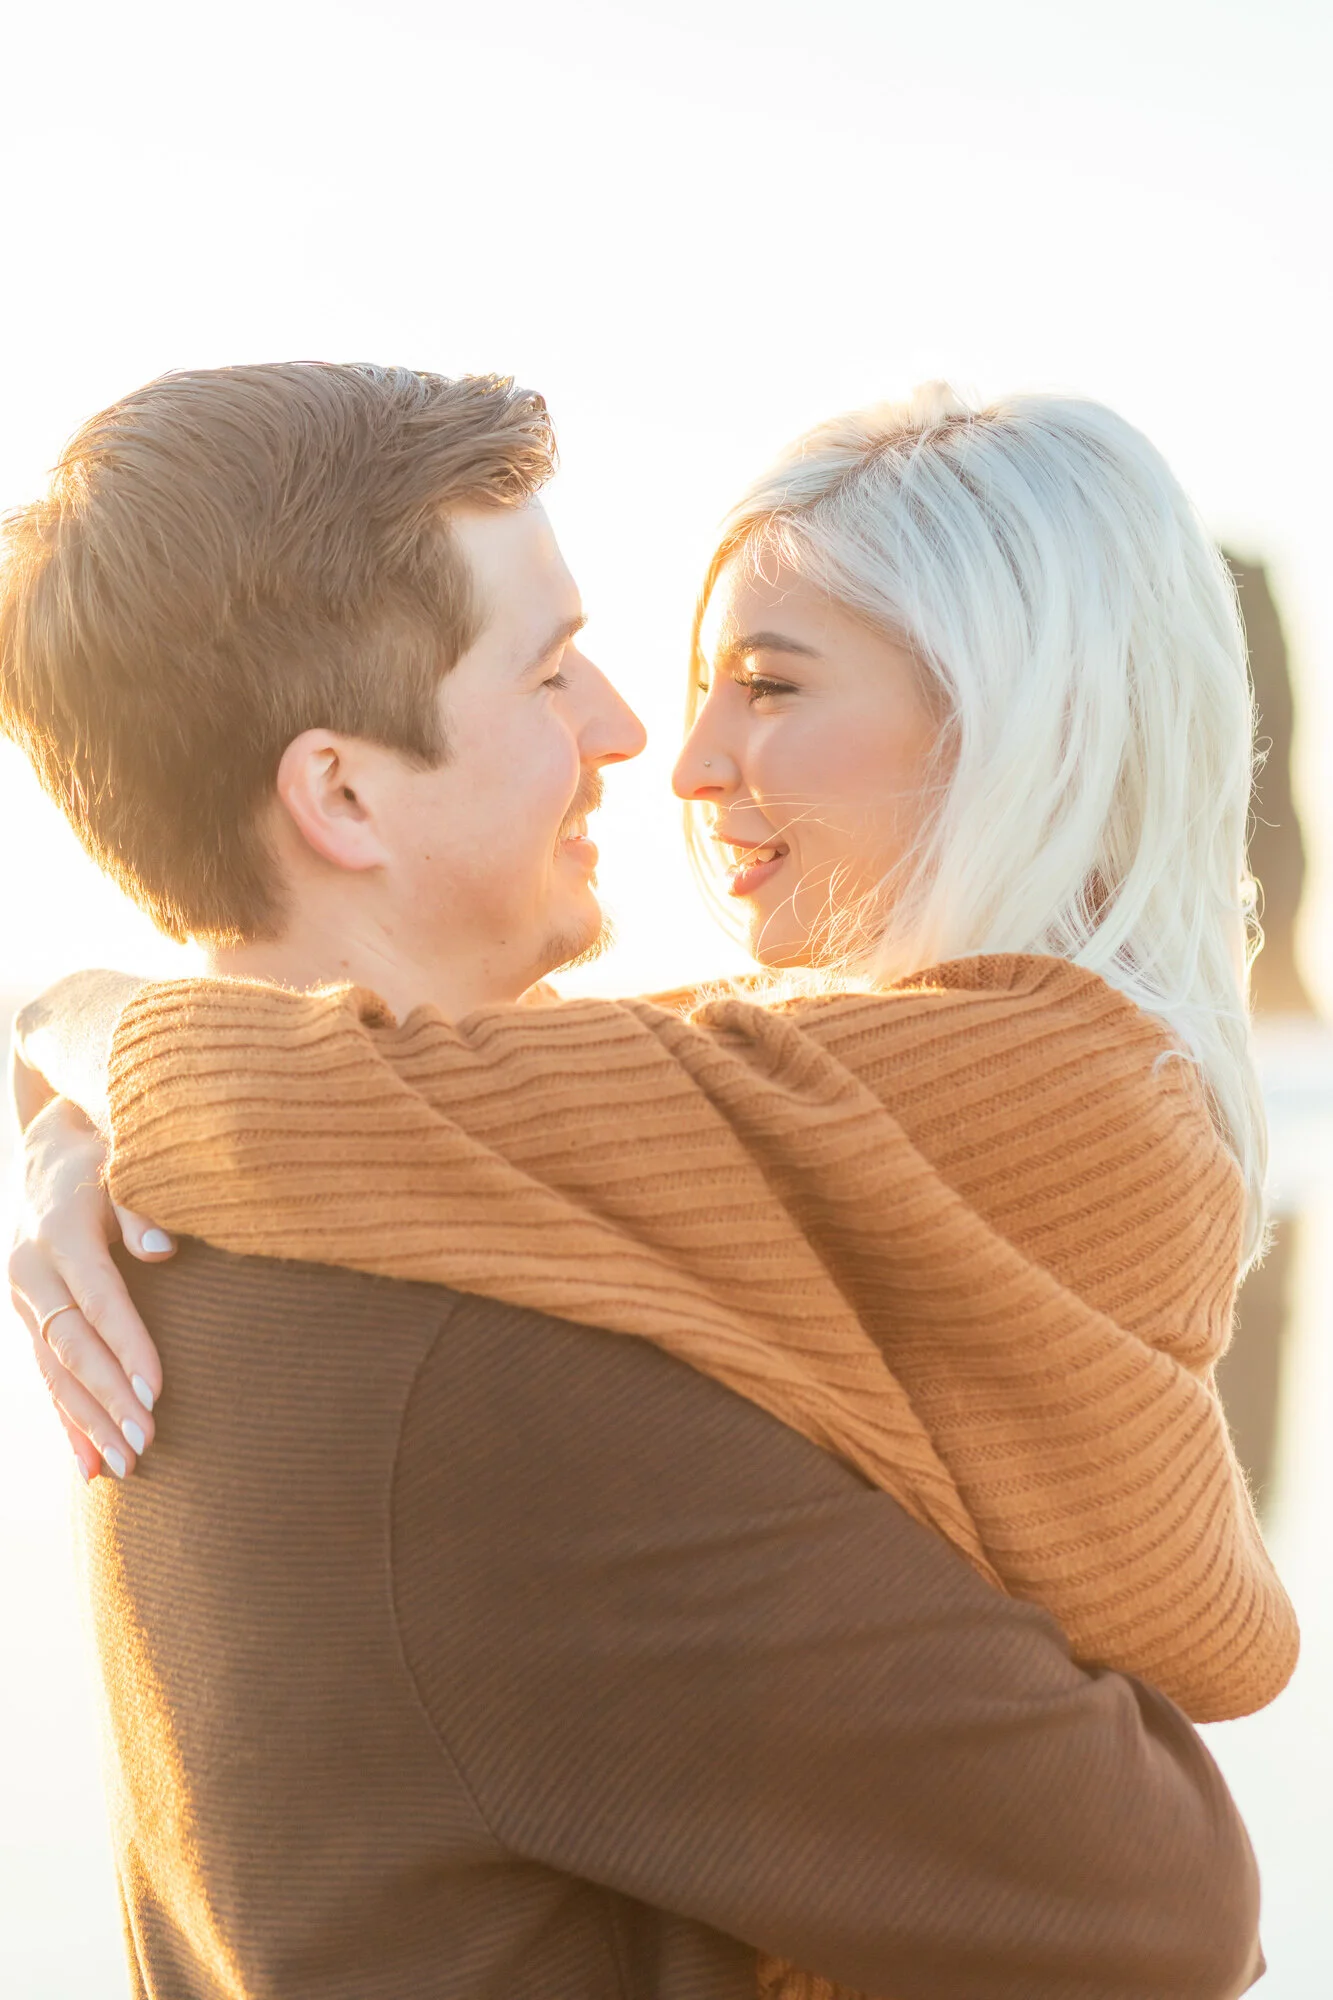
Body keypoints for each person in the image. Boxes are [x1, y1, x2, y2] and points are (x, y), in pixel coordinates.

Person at [4, 363, 1271, 1998]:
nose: (637, 742)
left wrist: (68, 1060)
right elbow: (1162, 1902)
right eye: (549, 677)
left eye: (760, 685)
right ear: (339, 791)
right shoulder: (490, 1376)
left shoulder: (242, 1247)